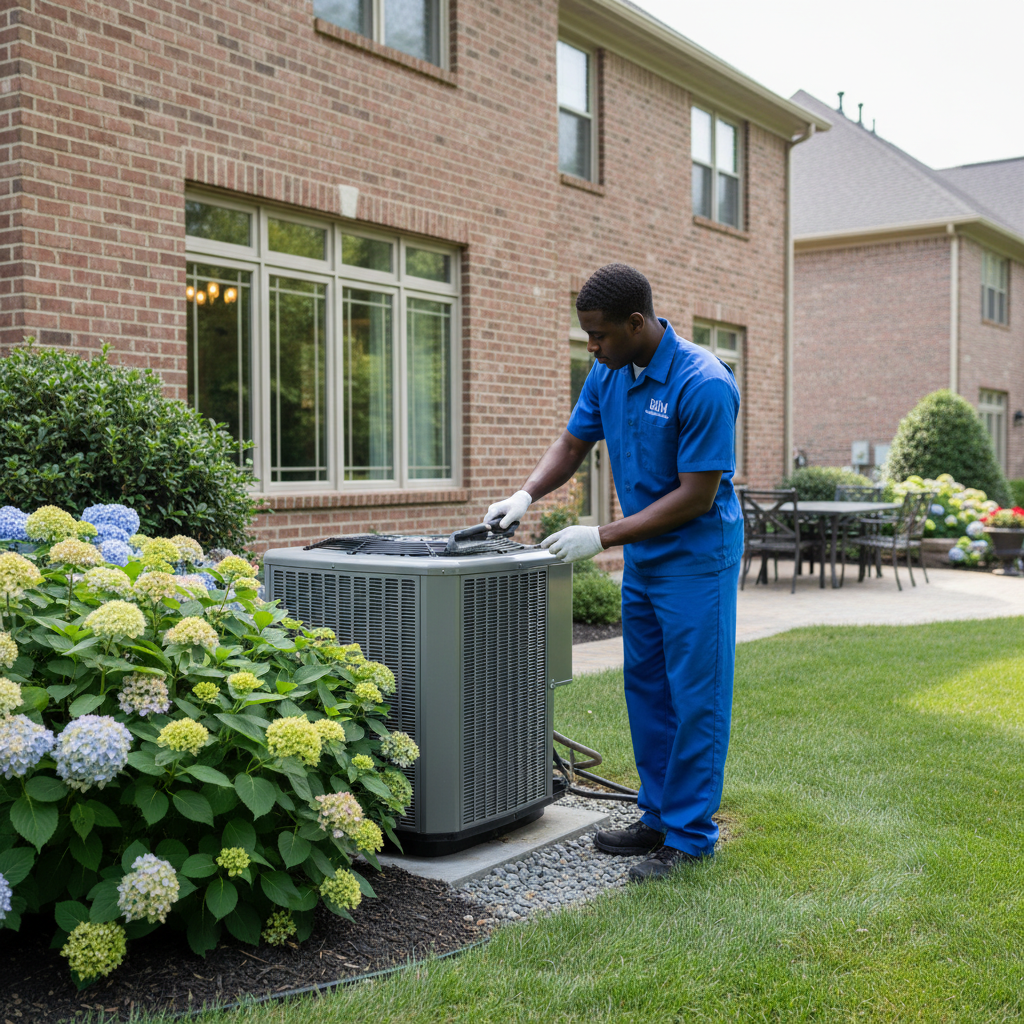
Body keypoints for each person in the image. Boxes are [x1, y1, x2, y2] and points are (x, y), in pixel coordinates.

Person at [486, 263, 743, 882]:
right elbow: (574, 443)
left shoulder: (703, 383)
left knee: (695, 698)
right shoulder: (609, 372)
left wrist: (599, 536)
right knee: (647, 690)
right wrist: (524, 495)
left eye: (598, 335)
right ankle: (656, 816)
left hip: (696, 559)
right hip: (645, 558)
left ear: (635, 322)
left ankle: (690, 837)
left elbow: (696, 496)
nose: (591, 348)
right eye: (586, 335)